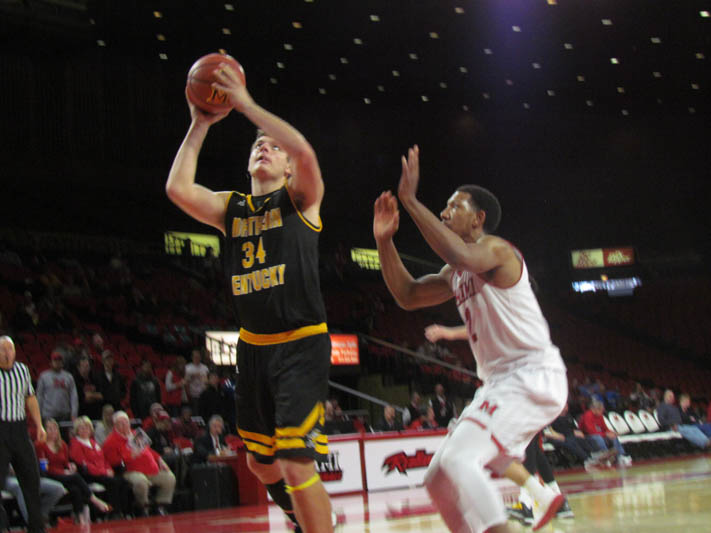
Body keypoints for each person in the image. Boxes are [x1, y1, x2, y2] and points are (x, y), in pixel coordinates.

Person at [165, 61, 333, 533]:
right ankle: (300, 519)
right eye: (259, 144)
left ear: (285, 166)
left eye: (273, 148)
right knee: (262, 465)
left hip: (301, 343)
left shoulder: (301, 199)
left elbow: (303, 150)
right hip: (253, 348)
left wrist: (247, 106)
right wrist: (200, 123)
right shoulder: (231, 208)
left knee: (296, 461)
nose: (266, 146)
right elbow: (177, 188)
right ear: (248, 162)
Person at [373, 149, 568, 533]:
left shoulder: (498, 250)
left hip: (531, 375)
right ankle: (533, 498)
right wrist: (384, 242)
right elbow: (408, 296)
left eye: (453, 207)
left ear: (478, 219)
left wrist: (411, 201)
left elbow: (458, 253)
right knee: (437, 480)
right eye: (443, 207)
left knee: (461, 459)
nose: (444, 213)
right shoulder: (455, 271)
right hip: (501, 384)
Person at [0, 335, 47, 533]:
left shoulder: (22, 370)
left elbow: (30, 398)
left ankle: (36, 528)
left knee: (32, 481)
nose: (6, 353)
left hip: (19, 430)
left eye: (9, 349)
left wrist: (39, 425)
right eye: (2, 349)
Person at [34, 419, 110, 524]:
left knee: (75, 489)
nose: (53, 431)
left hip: (63, 475)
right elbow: (44, 468)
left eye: (55, 428)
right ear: (45, 430)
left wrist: (70, 466)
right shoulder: (40, 445)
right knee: (75, 477)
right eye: (49, 429)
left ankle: (79, 517)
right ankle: (94, 499)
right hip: (49, 475)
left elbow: (65, 462)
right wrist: (63, 472)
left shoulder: (62, 445)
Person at [102, 411, 175, 517]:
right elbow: (112, 461)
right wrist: (129, 456)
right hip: (130, 471)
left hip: (150, 469)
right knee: (141, 482)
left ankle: (160, 505)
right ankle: (143, 506)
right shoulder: (110, 441)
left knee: (169, 478)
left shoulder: (136, 434)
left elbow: (148, 449)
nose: (125, 425)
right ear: (115, 425)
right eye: (121, 423)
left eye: (126, 422)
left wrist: (160, 460)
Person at [69, 416, 133, 518]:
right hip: (89, 474)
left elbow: (103, 458)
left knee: (123, 482)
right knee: (113, 482)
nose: (85, 430)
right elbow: (84, 464)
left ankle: (126, 511)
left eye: (87, 427)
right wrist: (103, 471)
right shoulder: (76, 444)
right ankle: (114, 512)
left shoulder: (93, 442)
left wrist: (109, 469)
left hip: (102, 471)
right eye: (82, 428)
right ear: (77, 430)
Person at [579, 400, 631, 465]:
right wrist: (606, 434)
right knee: (598, 438)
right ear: (595, 409)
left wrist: (612, 432)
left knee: (613, 437)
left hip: (599, 434)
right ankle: (607, 456)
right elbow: (591, 431)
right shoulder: (588, 415)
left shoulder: (600, 415)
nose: (603, 411)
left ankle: (621, 455)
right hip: (587, 436)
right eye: (601, 410)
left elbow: (605, 428)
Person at [36, 351, 78, 423]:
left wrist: (74, 413)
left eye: (59, 361)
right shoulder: (44, 376)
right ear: (51, 362)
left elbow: (73, 396)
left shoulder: (68, 377)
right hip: (48, 415)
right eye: (55, 360)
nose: (57, 363)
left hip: (65, 414)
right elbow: (39, 396)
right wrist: (38, 414)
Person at [184, 349, 209, 414]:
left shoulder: (205, 367)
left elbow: (207, 381)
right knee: (195, 411)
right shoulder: (187, 368)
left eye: (198, 357)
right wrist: (192, 377)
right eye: (195, 357)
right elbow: (185, 382)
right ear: (192, 357)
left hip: (203, 393)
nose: (197, 358)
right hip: (193, 393)